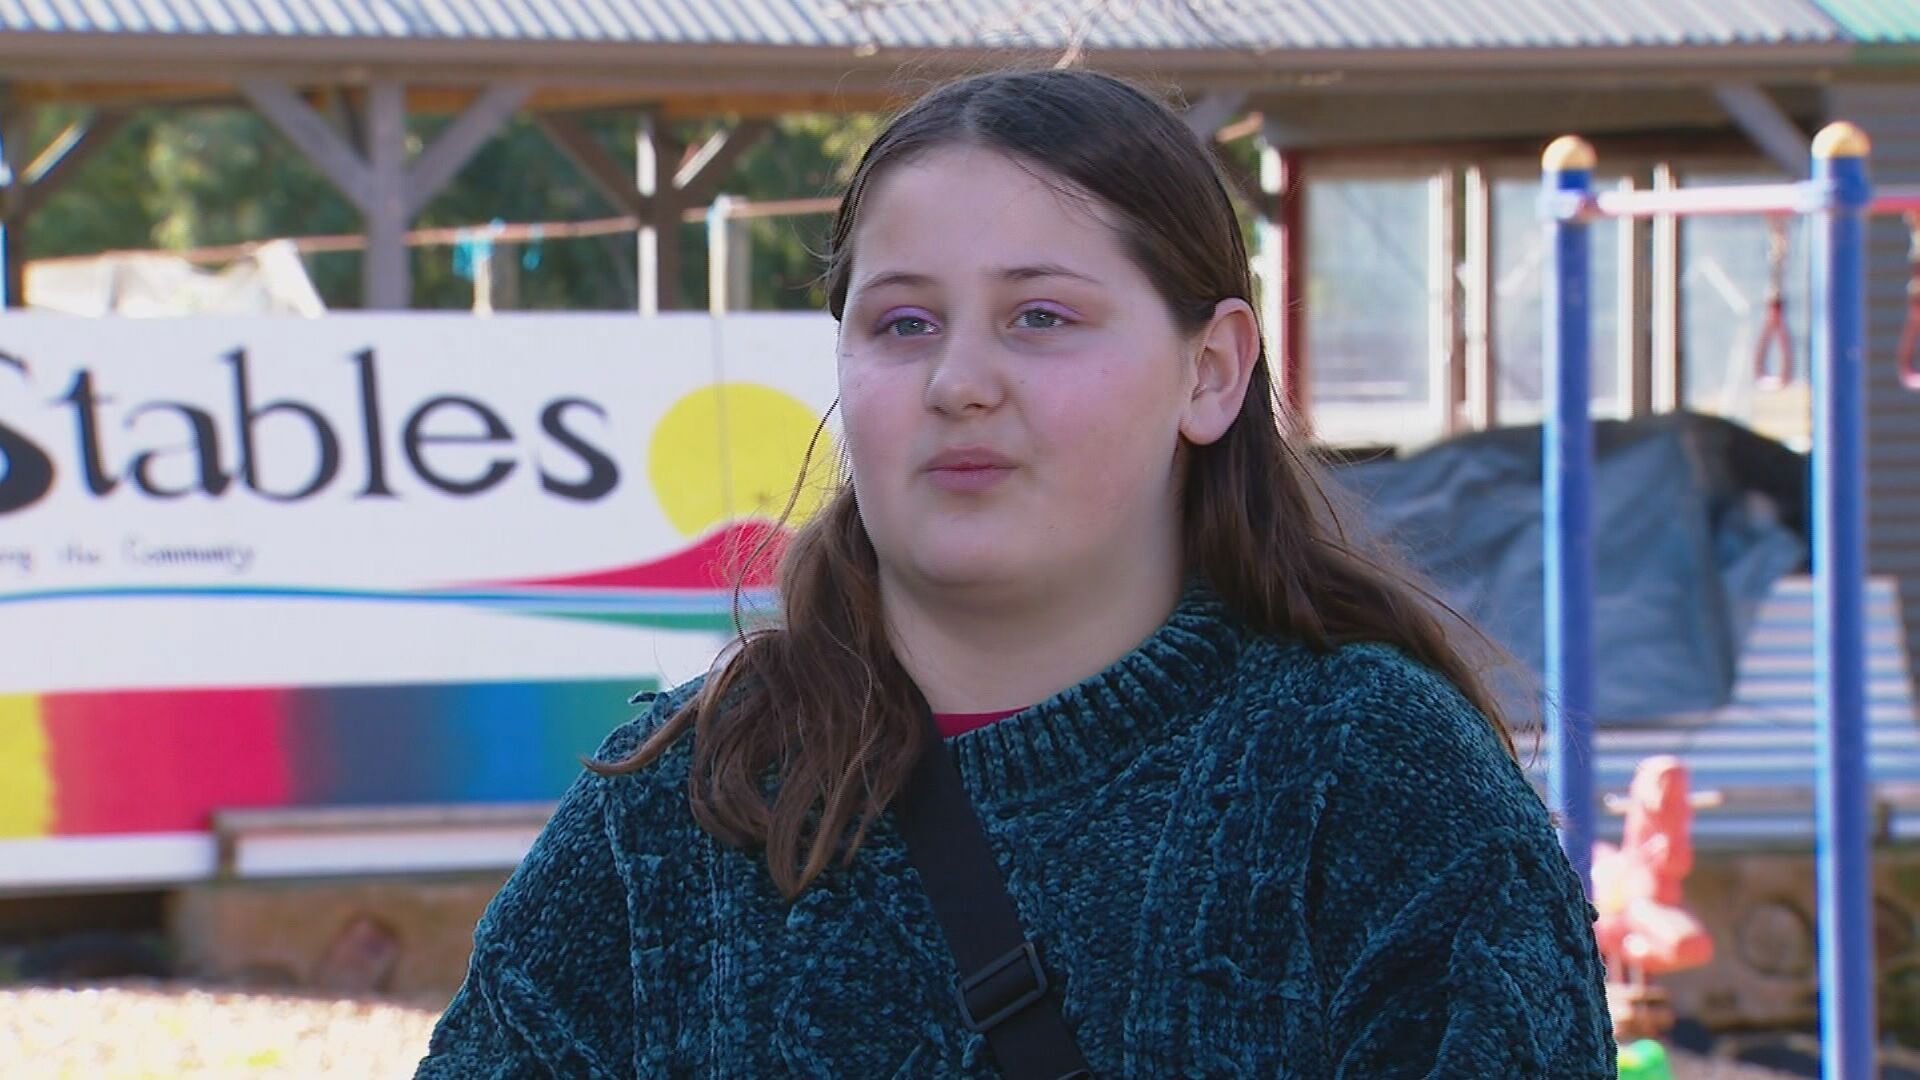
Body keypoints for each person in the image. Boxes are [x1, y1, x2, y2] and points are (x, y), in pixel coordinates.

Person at [416, 68, 1615, 1078]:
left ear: (1212, 371)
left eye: (1040, 317)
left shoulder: (1375, 785)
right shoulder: (679, 806)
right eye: (902, 323)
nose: (960, 381)